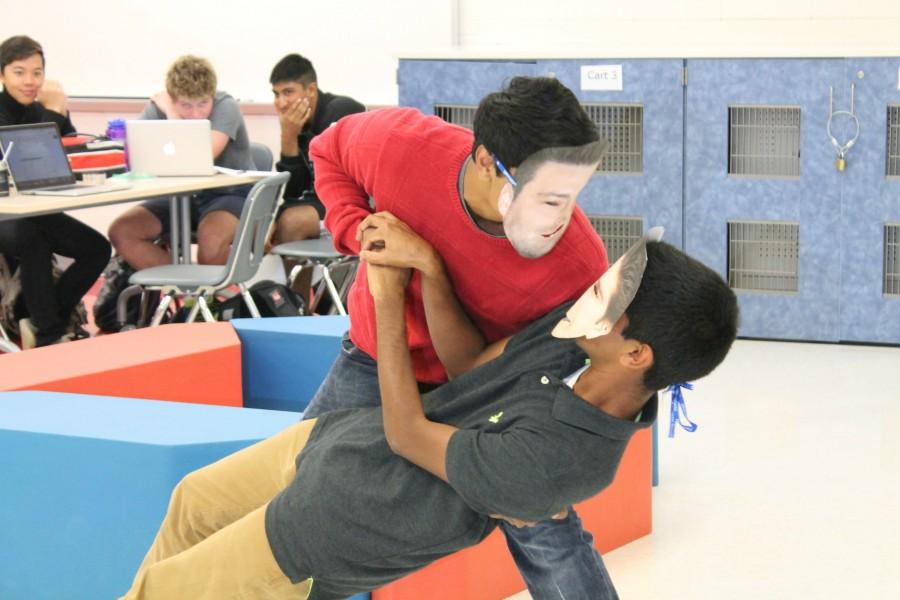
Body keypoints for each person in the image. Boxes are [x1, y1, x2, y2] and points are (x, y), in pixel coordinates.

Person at [120, 234, 740, 600]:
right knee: (192, 501)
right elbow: (472, 364)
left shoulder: (562, 463)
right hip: (332, 443)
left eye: (613, 299)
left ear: (636, 355)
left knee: (166, 593)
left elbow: (408, 433)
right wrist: (432, 273)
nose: (594, 291)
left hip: (342, 519)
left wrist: (388, 300)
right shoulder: (577, 336)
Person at [305, 76, 615, 597]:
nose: (559, 219)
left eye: (571, 197)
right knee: (297, 487)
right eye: (543, 197)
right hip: (374, 357)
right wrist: (362, 232)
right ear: (486, 161)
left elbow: (488, 371)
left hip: (491, 387)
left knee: (541, 521)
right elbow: (327, 149)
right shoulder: (402, 145)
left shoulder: (581, 270)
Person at [0, 35, 110, 348]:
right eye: (19, 72)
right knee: (33, 239)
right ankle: (48, 337)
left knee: (97, 249)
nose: (29, 81)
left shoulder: (43, 109)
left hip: (36, 210)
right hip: (5, 212)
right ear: (2, 75)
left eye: (37, 73)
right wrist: (52, 111)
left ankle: (38, 320)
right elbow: (26, 158)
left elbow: (73, 153)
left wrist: (59, 114)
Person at [107, 55, 254, 270]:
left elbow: (201, 155)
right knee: (122, 232)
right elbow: (133, 154)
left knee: (211, 241)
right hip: (180, 198)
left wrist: (173, 114)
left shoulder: (226, 106)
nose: (195, 114)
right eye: (186, 105)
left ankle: (212, 299)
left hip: (230, 193)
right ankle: (190, 296)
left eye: (203, 104)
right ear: (172, 97)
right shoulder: (158, 108)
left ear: (212, 95)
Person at [269, 53, 365, 244]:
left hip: (350, 199)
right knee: (267, 219)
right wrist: (288, 137)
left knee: (291, 221)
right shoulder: (295, 123)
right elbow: (293, 192)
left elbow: (339, 179)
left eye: (288, 92)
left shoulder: (341, 110)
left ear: (311, 90)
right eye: (276, 94)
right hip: (318, 200)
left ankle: (293, 275)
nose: (281, 103)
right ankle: (292, 274)